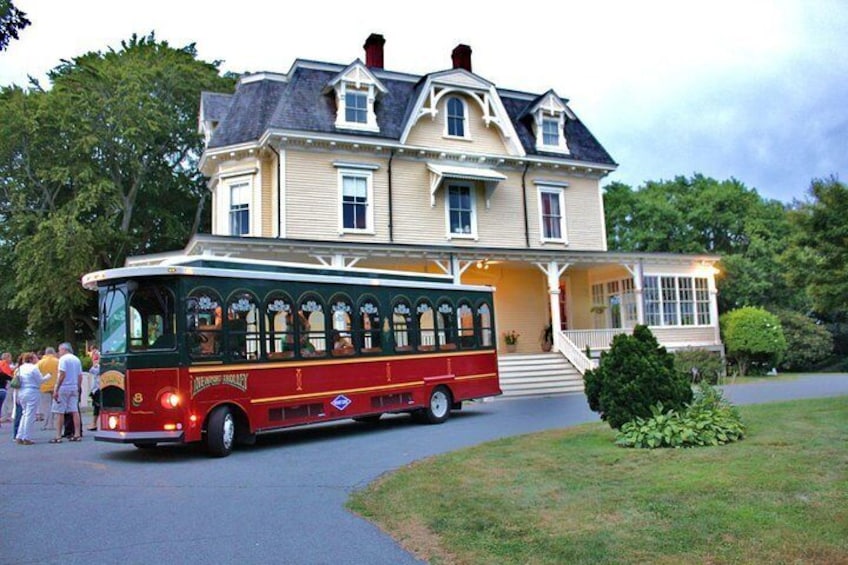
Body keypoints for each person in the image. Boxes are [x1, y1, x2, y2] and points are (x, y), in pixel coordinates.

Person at [14, 352, 50, 445]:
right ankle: (26, 437)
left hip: (22, 392)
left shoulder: (20, 368)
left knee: (24, 414)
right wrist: (48, 376)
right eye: (34, 358)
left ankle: (19, 435)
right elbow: (40, 380)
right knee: (30, 415)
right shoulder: (34, 368)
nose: (36, 359)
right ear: (31, 359)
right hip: (32, 391)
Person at [51, 342, 83, 443]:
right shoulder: (76, 359)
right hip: (74, 387)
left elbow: (62, 374)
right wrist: (77, 387)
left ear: (64, 349)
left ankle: (58, 436)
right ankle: (77, 434)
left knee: (59, 412)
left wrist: (56, 389)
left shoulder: (63, 359)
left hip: (64, 387)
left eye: (60, 350)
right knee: (74, 410)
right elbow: (80, 376)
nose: (59, 352)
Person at [36, 347, 59, 430]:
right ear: (53, 353)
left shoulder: (40, 363)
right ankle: (55, 423)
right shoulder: (58, 361)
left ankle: (47, 424)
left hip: (44, 386)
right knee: (56, 405)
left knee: (46, 407)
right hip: (56, 386)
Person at [87, 347, 101, 431]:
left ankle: (95, 423)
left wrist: (94, 364)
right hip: (95, 388)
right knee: (96, 407)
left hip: (98, 388)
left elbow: (93, 371)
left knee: (97, 407)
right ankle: (94, 423)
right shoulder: (96, 366)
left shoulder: (97, 366)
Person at [0, 352, 13, 424]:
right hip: (3, 387)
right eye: (10, 358)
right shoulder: (5, 364)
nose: (10, 359)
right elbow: (9, 376)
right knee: (6, 402)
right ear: (7, 358)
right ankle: (5, 416)